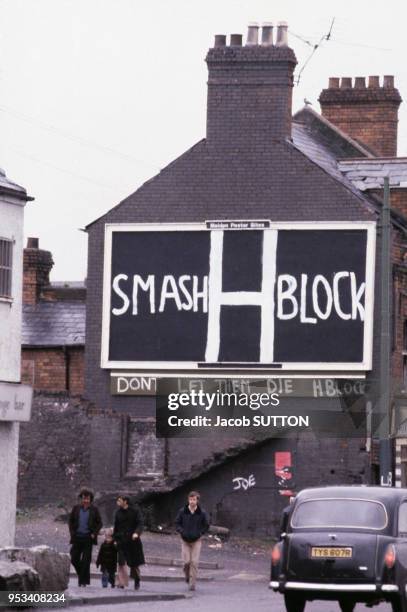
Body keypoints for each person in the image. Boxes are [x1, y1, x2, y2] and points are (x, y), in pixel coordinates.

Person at [175, 491, 210, 591]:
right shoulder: (183, 511)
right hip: (185, 541)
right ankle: (187, 576)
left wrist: (200, 533)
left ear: (197, 501)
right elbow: (177, 523)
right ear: (188, 500)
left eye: (194, 499)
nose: (192, 502)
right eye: (190, 499)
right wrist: (181, 532)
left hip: (196, 541)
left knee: (194, 562)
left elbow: (206, 525)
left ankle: (192, 583)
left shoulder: (202, 513)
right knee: (186, 562)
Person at [69, 488, 102, 587]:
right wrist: (72, 533)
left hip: (88, 538)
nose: (85, 501)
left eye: (87, 499)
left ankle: (82, 581)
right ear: (81, 498)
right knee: (74, 558)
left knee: (86, 561)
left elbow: (100, 523)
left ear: (90, 499)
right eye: (84, 498)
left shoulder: (94, 509)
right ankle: (82, 575)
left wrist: (94, 533)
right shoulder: (76, 508)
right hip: (77, 538)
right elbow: (70, 521)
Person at [113, 495, 145, 590]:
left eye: (119, 500)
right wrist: (115, 539)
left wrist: (136, 533)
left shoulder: (135, 511)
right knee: (121, 562)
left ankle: (137, 580)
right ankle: (121, 583)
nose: (117, 502)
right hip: (121, 541)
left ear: (125, 501)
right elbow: (116, 527)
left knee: (134, 563)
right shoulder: (118, 513)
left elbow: (140, 523)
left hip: (133, 541)